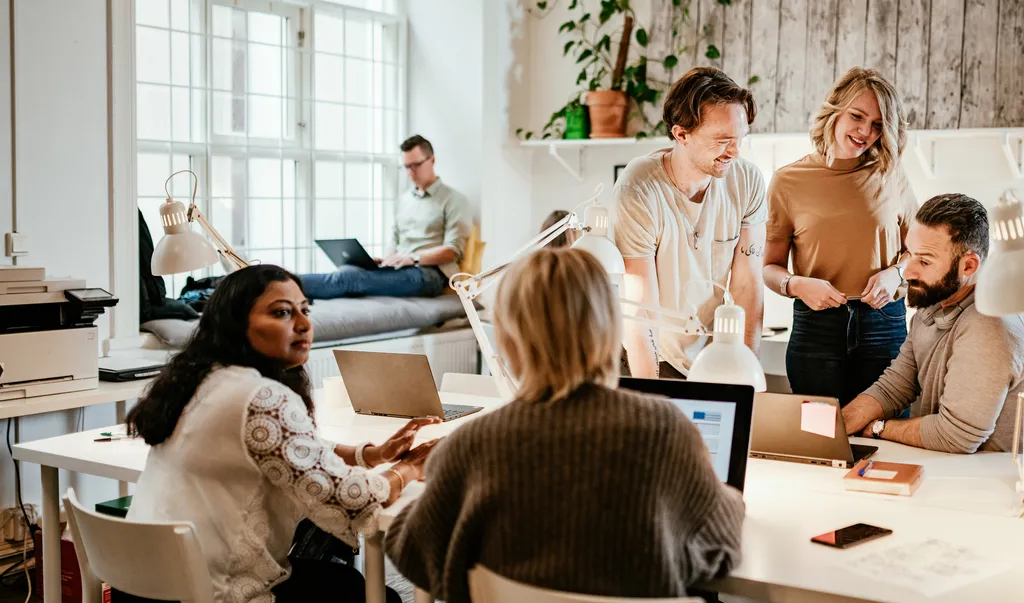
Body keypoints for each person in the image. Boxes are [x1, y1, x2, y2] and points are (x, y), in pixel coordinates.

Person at [385, 249, 743, 602]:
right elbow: (721, 548)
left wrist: (417, 479)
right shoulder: (668, 431)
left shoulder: (470, 445)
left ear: (508, 342)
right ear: (611, 329)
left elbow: (410, 550)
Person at [121, 265, 439, 603]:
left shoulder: (197, 380)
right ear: (236, 325)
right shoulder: (262, 396)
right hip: (212, 592)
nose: (303, 324)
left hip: (141, 585)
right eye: (282, 313)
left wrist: (370, 456)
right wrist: (411, 468)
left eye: (305, 309)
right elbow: (350, 498)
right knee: (375, 595)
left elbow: (286, 447)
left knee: (342, 579)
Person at [841, 193, 1024, 454]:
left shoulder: (990, 325)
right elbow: (895, 386)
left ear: (968, 266)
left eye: (925, 261)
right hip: (952, 468)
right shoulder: (933, 303)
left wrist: (878, 429)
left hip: (996, 482)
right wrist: (838, 426)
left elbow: (956, 436)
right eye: (910, 256)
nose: (907, 272)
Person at [762, 66, 919, 404]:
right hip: (815, 330)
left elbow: (919, 252)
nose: (865, 131)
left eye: (877, 125)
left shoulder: (891, 176)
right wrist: (798, 285)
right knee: (819, 443)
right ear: (834, 111)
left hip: (884, 325)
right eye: (857, 116)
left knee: (886, 437)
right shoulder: (788, 181)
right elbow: (769, 268)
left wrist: (896, 273)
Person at [614, 66, 766, 379]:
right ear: (681, 134)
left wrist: (745, 378)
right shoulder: (639, 188)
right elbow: (641, 310)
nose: (735, 152)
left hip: (710, 358)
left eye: (741, 139)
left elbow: (748, 288)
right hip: (645, 355)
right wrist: (652, 394)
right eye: (723, 140)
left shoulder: (747, 180)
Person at [300, 135, 472, 299]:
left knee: (350, 280)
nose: (411, 172)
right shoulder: (403, 201)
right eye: (406, 166)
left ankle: (285, 283)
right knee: (349, 271)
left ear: (432, 160)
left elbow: (452, 251)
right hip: (400, 268)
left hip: (430, 274)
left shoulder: (454, 200)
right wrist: (388, 259)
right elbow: (395, 239)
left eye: (416, 165)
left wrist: (413, 258)